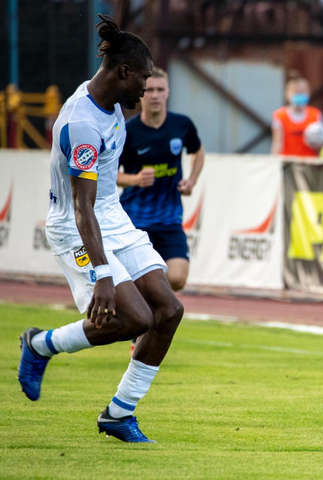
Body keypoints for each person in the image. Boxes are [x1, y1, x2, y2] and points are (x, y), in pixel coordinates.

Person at [17, 16, 184, 443]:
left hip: (112, 217)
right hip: (77, 226)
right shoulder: (82, 125)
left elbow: (101, 198)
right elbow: (81, 206)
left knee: (168, 310)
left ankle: (119, 414)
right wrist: (103, 275)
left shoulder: (109, 102)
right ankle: (40, 345)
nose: (146, 90)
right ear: (123, 72)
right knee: (133, 318)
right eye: (143, 80)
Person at [117, 66, 204, 292]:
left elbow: (197, 151)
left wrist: (192, 180)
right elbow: (110, 175)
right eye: (149, 90)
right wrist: (135, 180)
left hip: (169, 220)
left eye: (160, 90)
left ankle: (151, 302)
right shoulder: (128, 131)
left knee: (177, 278)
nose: (155, 95)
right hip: (135, 221)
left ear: (168, 92)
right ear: (140, 93)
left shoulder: (182, 125)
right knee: (138, 279)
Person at [271, 75, 323, 157]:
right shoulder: (280, 116)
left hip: (310, 161)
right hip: (287, 161)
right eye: (296, 92)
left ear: (308, 93)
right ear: (287, 94)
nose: (299, 95)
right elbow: (277, 143)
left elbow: (322, 143)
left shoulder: (316, 114)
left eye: (302, 92)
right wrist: (273, 161)